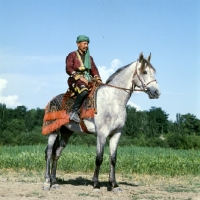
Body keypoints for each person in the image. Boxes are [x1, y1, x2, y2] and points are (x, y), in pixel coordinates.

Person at [66, 35, 102, 123]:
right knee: (84, 90)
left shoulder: (89, 58)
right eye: (84, 43)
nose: (86, 46)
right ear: (78, 44)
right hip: (75, 80)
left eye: (87, 44)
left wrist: (98, 79)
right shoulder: (72, 55)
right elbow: (69, 68)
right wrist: (80, 77)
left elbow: (94, 70)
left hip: (88, 80)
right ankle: (73, 112)